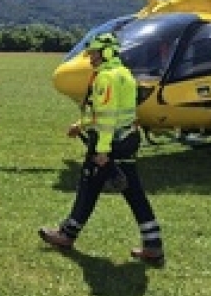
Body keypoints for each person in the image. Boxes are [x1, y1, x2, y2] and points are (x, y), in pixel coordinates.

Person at [39, 33, 165, 266]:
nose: (91, 58)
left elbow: (106, 118)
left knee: (89, 185)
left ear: (106, 52)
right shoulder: (124, 73)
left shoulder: (105, 78)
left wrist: (102, 151)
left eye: (94, 54)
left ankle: (67, 235)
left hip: (110, 143)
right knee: (132, 190)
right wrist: (82, 125)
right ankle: (153, 243)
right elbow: (115, 112)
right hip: (127, 138)